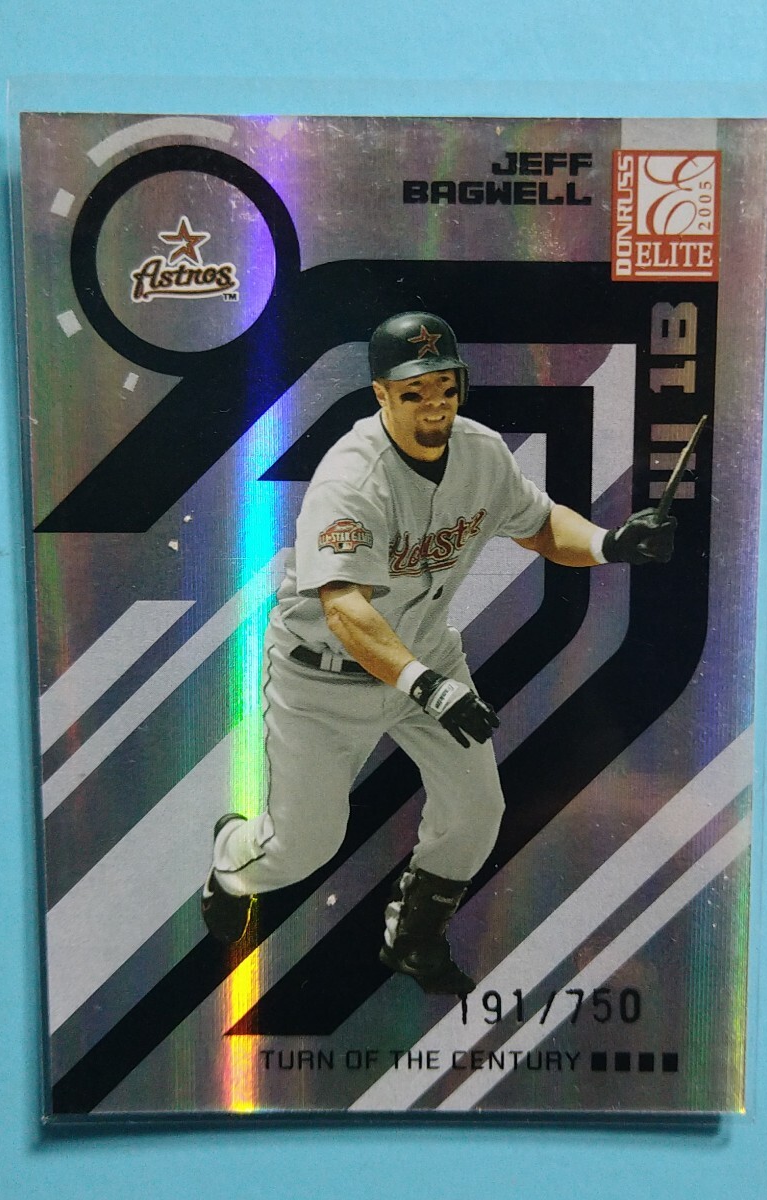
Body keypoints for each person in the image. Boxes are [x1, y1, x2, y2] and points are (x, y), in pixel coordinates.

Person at [202, 311, 676, 994]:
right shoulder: (352, 480)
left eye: (446, 388)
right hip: (322, 680)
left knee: (477, 809)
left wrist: (609, 544)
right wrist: (428, 686)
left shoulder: (480, 453)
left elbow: (539, 523)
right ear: (381, 394)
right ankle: (229, 860)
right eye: (414, 391)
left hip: (427, 658)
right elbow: (344, 608)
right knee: (302, 848)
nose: (435, 405)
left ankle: (413, 934)